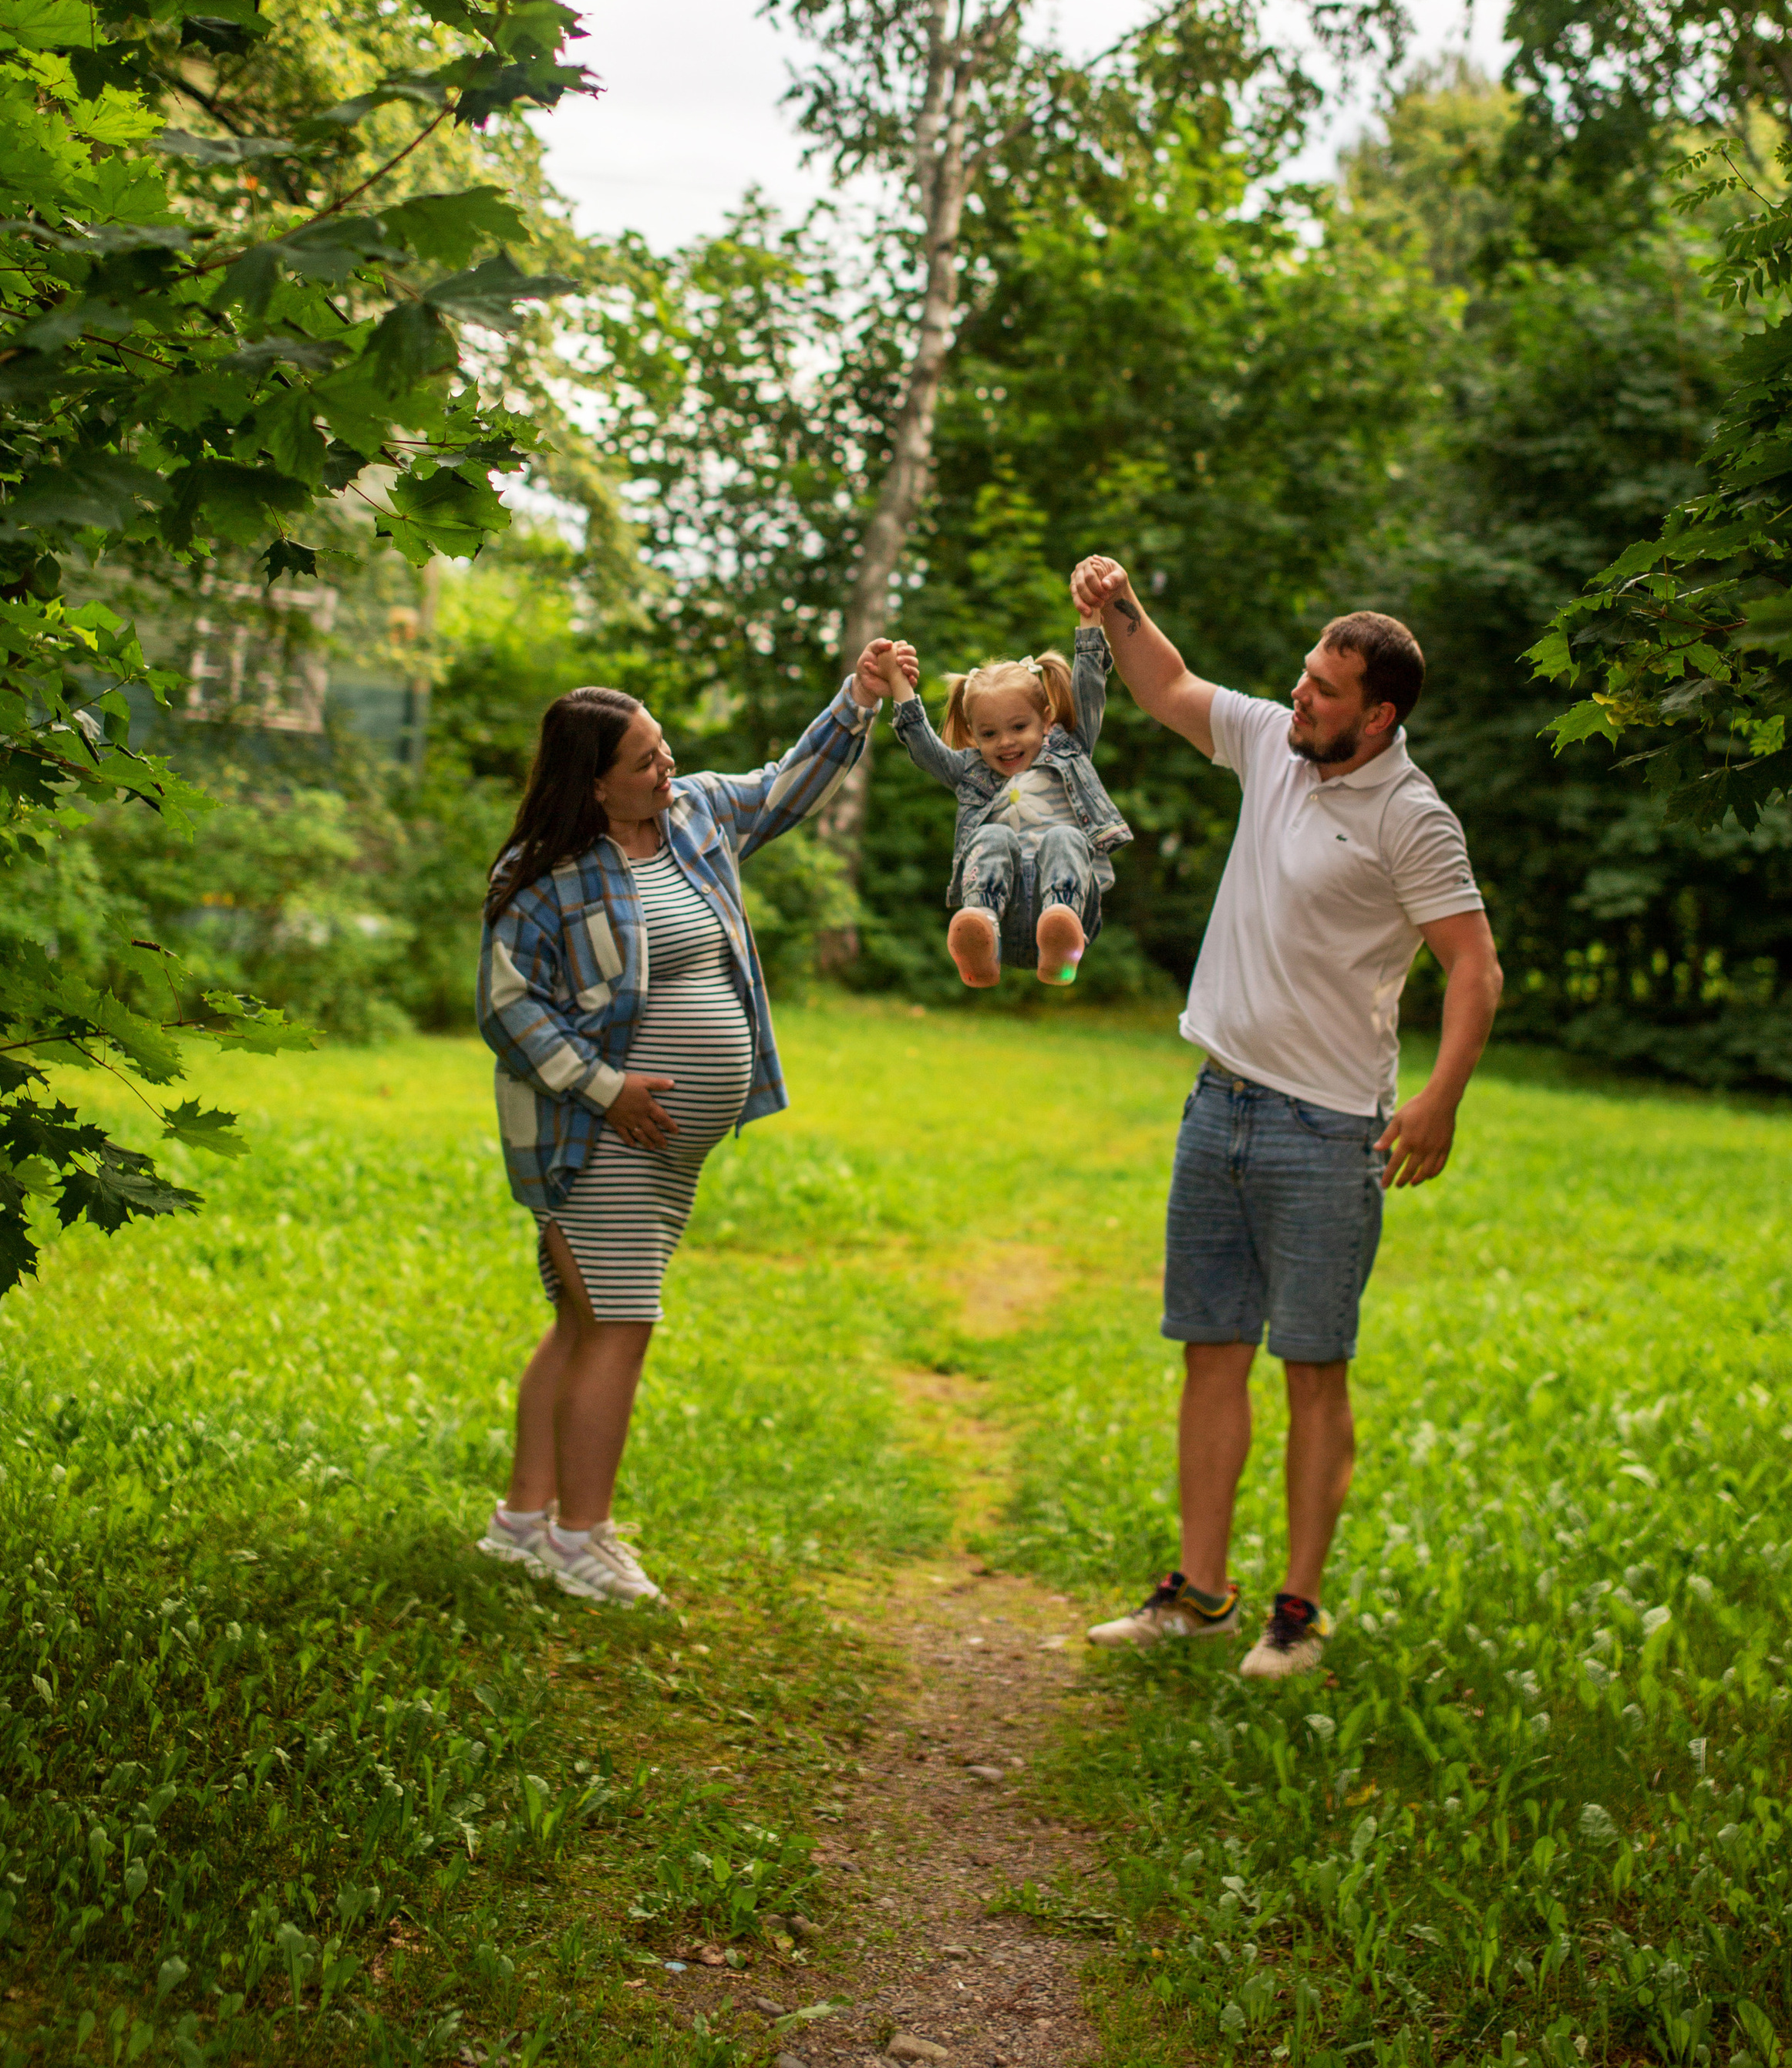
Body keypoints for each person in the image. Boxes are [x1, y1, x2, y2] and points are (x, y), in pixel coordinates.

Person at [1069, 557, 1503, 1681]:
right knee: (1210, 1352)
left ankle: (1296, 1616)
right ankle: (1199, 1595)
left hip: (1328, 1131)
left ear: (1379, 715)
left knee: (1314, 1368)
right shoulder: (1271, 741)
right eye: (1304, 676)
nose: (1299, 695)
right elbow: (1169, 687)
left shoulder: (1413, 818)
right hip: (1218, 1102)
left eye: (1323, 689)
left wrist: (1441, 1098)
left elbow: (1474, 967)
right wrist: (1116, 605)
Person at [473, 639, 913, 1605]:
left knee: (582, 1322)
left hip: (660, 1150)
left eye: (664, 747)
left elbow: (785, 789)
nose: (666, 766)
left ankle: (522, 1523)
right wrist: (606, 1089)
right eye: (646, 761)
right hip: (596, 1139)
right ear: (594, 784)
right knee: (617, 1325)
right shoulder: (544, 875)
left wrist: (857, 699)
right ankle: (580, 1539)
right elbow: (508, 1008)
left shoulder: (696, 816)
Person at [886, 621, 1133, 987]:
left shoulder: (1070, 748)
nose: (1005, 742)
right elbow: (925, 750)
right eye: (989, 733)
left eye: (1019, 727)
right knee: (992, 836)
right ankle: (981, 938)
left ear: (1045, 720)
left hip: (1070, 910)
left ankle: (1061, 936)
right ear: (973, 735)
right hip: (1006, 915)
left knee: (1064, 836)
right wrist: (898, 682)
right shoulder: (971, 772)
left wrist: (1090, 622)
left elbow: (1089, 692)